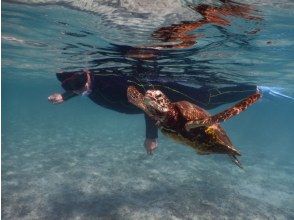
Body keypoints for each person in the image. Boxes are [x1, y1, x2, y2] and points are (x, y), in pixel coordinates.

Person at [48, 69, 258, 154]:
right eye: (73, 88)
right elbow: (83, 89)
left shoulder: (114, 85)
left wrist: (151, 136)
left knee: (206, 100)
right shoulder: (85, 85)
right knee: (207, 100)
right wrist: (65, 96)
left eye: (79, 86)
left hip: (164, 97)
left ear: (86, 76)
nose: (80, 90)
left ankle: (253, 88)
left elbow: (150, 107)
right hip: (154, 103)